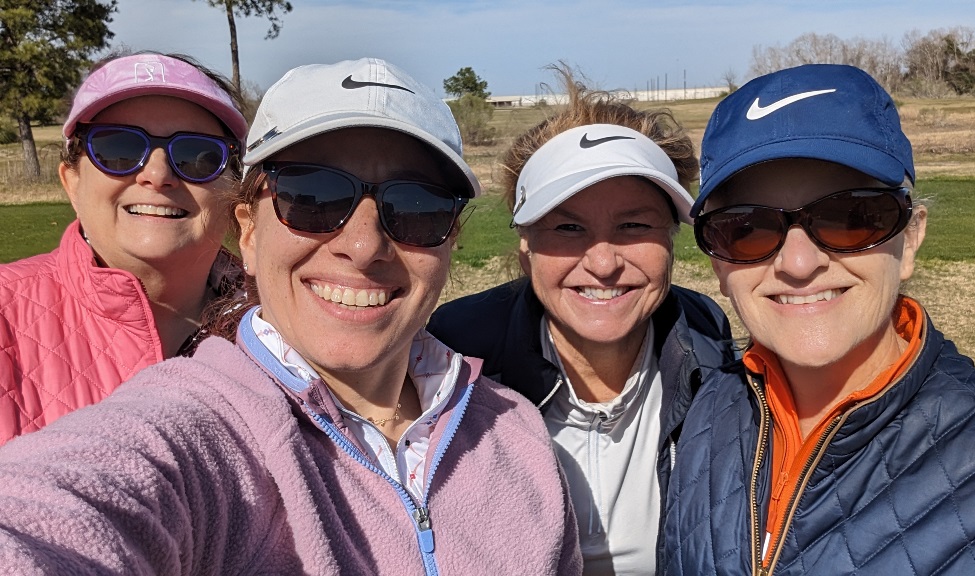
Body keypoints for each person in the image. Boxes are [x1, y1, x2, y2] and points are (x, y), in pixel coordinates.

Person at [0, 57, 582, 574]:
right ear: (248, 230)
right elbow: (58, 511)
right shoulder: (199, 428)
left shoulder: (515, 433)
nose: (364, 244)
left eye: (416, 205)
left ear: (450, 240)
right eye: (312, 196)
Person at [664, 63, 975, 575]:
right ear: (720, 262)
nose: (798, 264)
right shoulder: (704, 412)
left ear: (912, 237)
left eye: (852, 218)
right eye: (747, 228)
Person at [428, 66, 735, 574]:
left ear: (670, 239)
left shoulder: (706, 343)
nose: (604, 262)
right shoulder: (457, 355)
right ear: (525, 250)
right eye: (567, 227)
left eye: (633, 224)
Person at [0, 51, 248, 444]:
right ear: (73, 182)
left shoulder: (286, 324)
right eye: (119, 148)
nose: (157, 175)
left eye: (197, 155)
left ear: (234, 191)